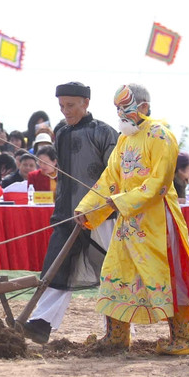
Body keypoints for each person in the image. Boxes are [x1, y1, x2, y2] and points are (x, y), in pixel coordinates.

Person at [71, 84, 189, 355]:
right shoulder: (125, 140)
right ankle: (116, 337)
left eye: (124, 107)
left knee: (167, 274)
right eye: (117, 109)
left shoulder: (161, 136)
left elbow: (158, 183)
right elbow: (110, 178)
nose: (119, 114)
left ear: (143, 107)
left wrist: (122, 201)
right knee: (114, 272)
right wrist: (87, 208)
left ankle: (184, 339)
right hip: (128, 222)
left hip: (158, 222)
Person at [23, 81, 119, 343]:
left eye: (71, 105)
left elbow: (115, 174)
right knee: (56, 266)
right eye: (62, 106)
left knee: (111, 270)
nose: (66, 111)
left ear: (86, 103)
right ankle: (41, 323)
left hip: (101, 214)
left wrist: (96, 206)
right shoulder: (61, 132)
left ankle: (120, 330)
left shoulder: (106, 133)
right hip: (67, 211)